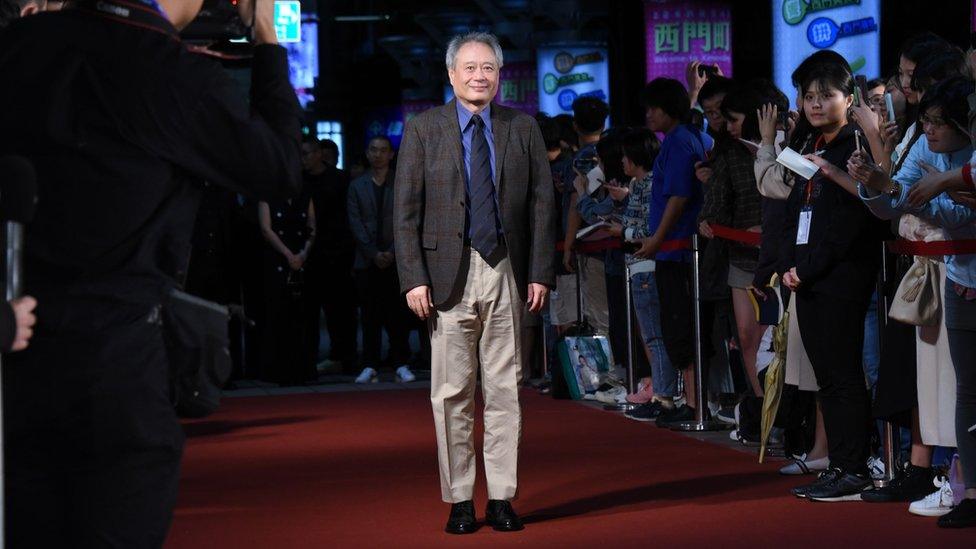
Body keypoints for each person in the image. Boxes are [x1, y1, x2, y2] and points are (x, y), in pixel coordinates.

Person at [0, 0, 302, 545]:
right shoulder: (175, 73)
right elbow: (278, 169)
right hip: (113, 364)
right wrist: (268, 44)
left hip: (15, 348)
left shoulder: (22, 45)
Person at [394, 31, 555, 535]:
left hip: (507, 267)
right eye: (469, 67)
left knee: (506, 389)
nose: (479, 76)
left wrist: (539, 271)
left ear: (499, 74)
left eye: (488, 67)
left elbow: (541, 205)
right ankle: (460, 499)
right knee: (450, 393)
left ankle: (503, 497)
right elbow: (405, 212)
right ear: (451, 74)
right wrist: (413, 277)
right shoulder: (423, 129)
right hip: (446, 274)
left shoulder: (522, 127)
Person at [853, 76, 975, 525]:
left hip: (960, 269)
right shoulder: (924, 148)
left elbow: (957, 214)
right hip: (952, 278)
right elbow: (895, 200)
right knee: (959, 391)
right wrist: (876, 183)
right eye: (924, 122)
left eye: (938, 123)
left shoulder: (969, 151)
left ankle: (957, 479)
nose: (928, 132)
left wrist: (931, 190)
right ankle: (964, 486)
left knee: (961, 387)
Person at [781, 61, 886, 502]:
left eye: (826, 95)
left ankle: (854, 468)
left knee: (843, 376)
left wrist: (807, 268)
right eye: (809, 97)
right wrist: (793, 266)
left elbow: (848, 224)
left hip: (840, 276)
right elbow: (795, 210)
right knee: (827, 376)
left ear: (849, 99)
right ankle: (841, 465)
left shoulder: (854, 147)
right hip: (807, 276)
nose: (817, 104)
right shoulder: (808, 140)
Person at [634, 77, 713, 427]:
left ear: (668, 108)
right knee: (681, 326)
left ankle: (696, 402)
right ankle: (693, 400)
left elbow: (679, 197)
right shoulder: (691, 137)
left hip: (678, 251)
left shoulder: (681, 141)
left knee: (682, 327)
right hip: (677, 250)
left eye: (653, 108)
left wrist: (656, 240)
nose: (648, 115)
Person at [348, 135, 415, 384]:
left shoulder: (402, 182)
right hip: (367, 260)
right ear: (367, 153)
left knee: (398, 314)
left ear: (391, 154)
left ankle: (401, 362)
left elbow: (409, 219)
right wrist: (373, 253)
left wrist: (393, 251)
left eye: (383, 150)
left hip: (397, 259)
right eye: (373, 150)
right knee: (369, 315)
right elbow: (354, 222)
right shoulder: (357, 185)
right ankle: (370, 364)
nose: (378, 154)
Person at [302, 137, 359, 374]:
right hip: (307, 253)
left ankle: (344, 357)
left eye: (306, 154)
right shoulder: (299, 180)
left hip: (337, 252)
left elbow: (350, 216)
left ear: (318, 154)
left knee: (340, 310)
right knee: (307, 311)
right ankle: (307, 359)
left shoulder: (340, 179)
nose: (302, 159)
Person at [257, 187, 316, 385]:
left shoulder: (305, 196)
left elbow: (312, 227)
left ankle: (302, 369)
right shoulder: (268, 196)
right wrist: (288, 255)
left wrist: (303, 254)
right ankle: (277, 370)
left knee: (300, 316)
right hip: (277, 260)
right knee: (277, 315)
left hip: (300, 259)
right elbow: (266, 229)